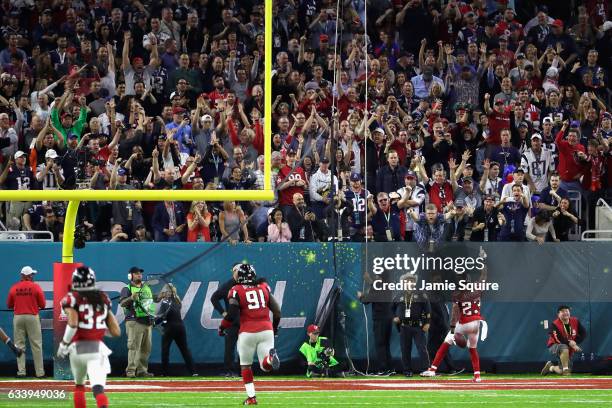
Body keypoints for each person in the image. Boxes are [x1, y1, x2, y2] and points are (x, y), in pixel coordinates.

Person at [56, 266, 121, 408]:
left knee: (79, 386)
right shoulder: (103, 298)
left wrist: (63, 344)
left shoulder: (71, 298)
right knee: (98, 389)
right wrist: (97, 329)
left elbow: (73, 323)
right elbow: (116, 331)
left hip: (77, 349)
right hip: (96, 349)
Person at [218, 263, 281, 405]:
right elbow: (277, 312)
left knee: (245, 366)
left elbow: (231, 315)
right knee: (265, 366)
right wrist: (275, 328)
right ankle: (271, 359)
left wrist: (222, 327)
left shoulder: (235, 290)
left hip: (247, 331)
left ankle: (251, 397)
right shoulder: (264, 287)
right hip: (266, 329)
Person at [422, 247, 488, 382]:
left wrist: (452, 329)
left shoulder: (457, 294)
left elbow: (455, 313)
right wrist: (483, 260)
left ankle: (433, 369)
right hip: (476, 323)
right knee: (473, 349)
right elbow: (484, 274)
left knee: (445, 343)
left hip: (464, 322)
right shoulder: (477, 288)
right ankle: (477, 376)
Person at [6, 266, 45, 378]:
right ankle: (40, 373)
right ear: (28, 276)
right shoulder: (36, 287)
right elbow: (42, 305)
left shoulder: (14, 288)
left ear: (22, 276)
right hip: (32, 317)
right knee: (36, 345)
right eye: (32, 274)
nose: (33, 276)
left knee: (19, 345)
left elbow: (9, 305)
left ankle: (22, 372)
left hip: (18, 317)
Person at [119, 267, 155, 378]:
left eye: (140, 273)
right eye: (136, 274)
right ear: (130, 276)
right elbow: (122, 303)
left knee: (146, 348)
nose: (139, 275)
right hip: (134, 321)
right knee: (134, 347)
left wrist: (160, 296)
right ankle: (130, 370)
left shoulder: (146, 288)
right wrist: (131, 298)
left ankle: (142, 370)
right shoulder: (127, 288)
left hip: (147, 321)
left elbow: (150, 300)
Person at [156, 283, 197, 377]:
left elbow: (162, 316)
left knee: (165, 350)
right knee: (185, 350)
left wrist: (154, 322)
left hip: (170, 327)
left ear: (165, 292)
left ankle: (165, 373)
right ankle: (193, 372)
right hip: (180, 327)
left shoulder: (165, 302)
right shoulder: (177, 301)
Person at [393, 274, 431, 377]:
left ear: (414, 283)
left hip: (418, 326)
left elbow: (427, 310)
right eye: (406, 281)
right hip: (404, 326)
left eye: (411, 280)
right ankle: (407, 370)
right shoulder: (398, 295)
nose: (409, 282)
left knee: (422, 348)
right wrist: (394, 317)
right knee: (405, 349)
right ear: (403, 283)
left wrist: (427, 322)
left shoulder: (421, 294)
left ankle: (425, 369)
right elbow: (391, 310)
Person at [210, 265, 240, 377]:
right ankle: (229, 371)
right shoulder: (228, 285)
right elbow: (214, 298)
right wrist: (223, 312)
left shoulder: (248, 284)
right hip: (232, 321)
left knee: (245, 348)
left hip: (245, 320)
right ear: (233, 272)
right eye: (237, 271)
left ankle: (243, 371)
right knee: (230, 347)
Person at [541, 305, 587, 376]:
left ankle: (551, 367)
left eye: (567, 311)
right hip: (554, 345)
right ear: (558, 314)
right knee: (563, 347)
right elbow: (558, 339)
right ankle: (566, 370)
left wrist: (575, 342)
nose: (565, 313)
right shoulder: (554, 324)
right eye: (563, 311)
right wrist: (570, 343)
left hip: (569, 347)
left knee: (561, 371)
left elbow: (584, 333)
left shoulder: (575, 321)